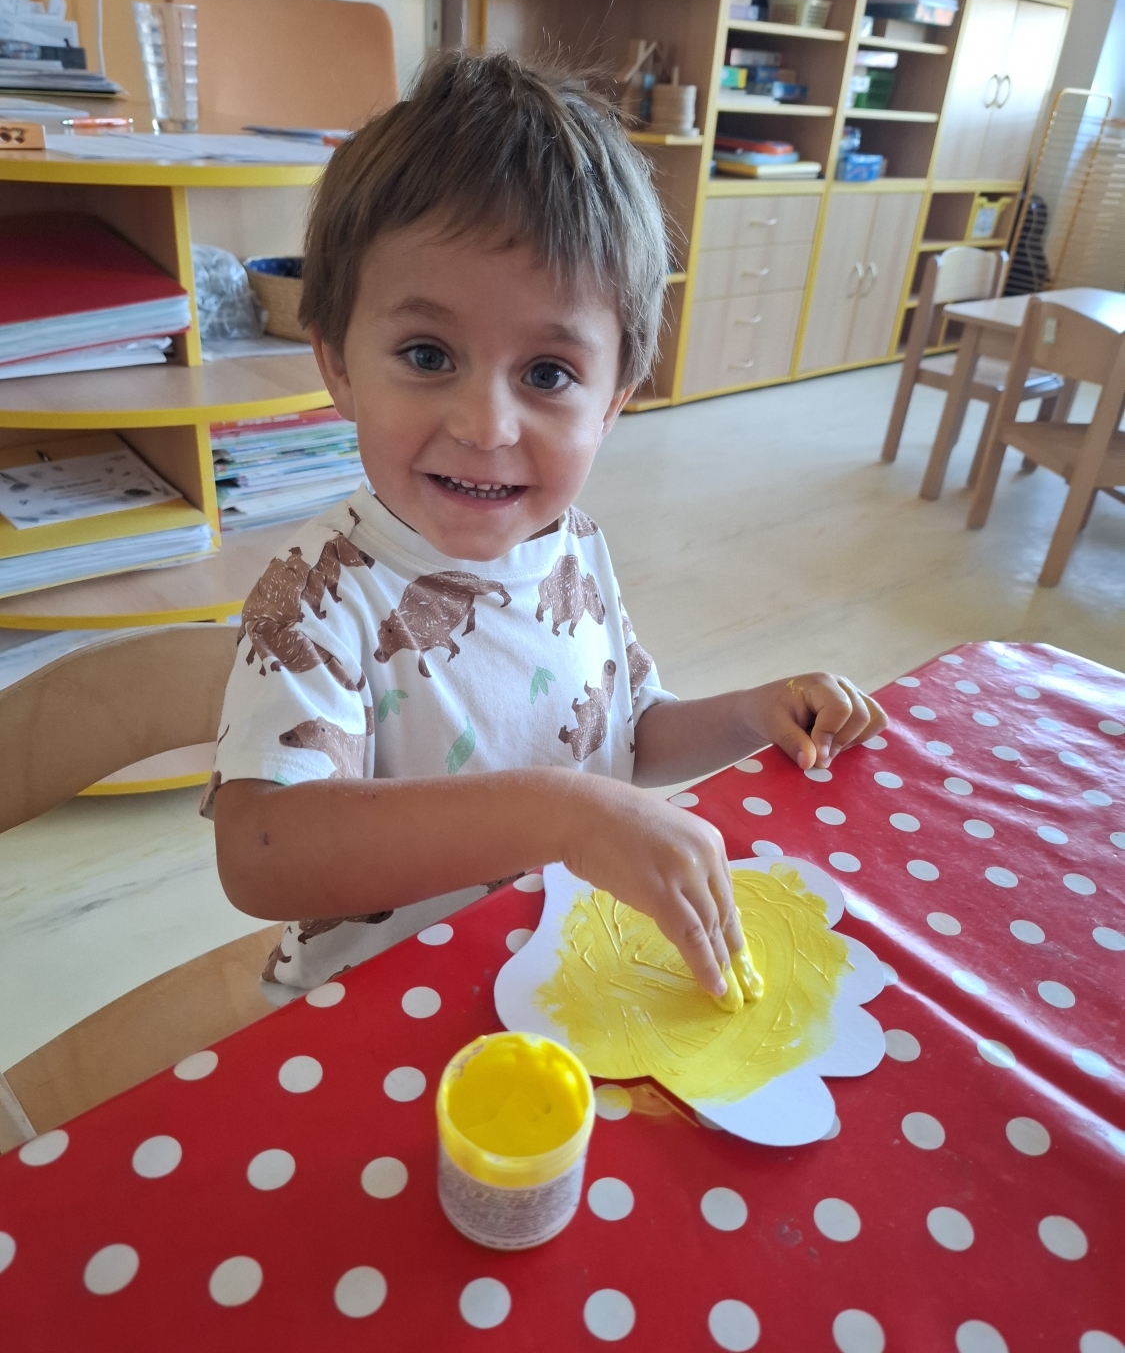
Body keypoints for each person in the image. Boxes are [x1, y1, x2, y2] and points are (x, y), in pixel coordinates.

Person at [206, 50, 886, 1004]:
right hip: (376, 1014)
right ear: (339, 366)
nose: (485, 426)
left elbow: (625, 735)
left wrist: (747, 714)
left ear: (613, 401)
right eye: (428, 354)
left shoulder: (574, 548)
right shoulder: (316, 593)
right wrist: (558, 813)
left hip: (552, 977)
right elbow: (263, 853)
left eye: (548, 374)